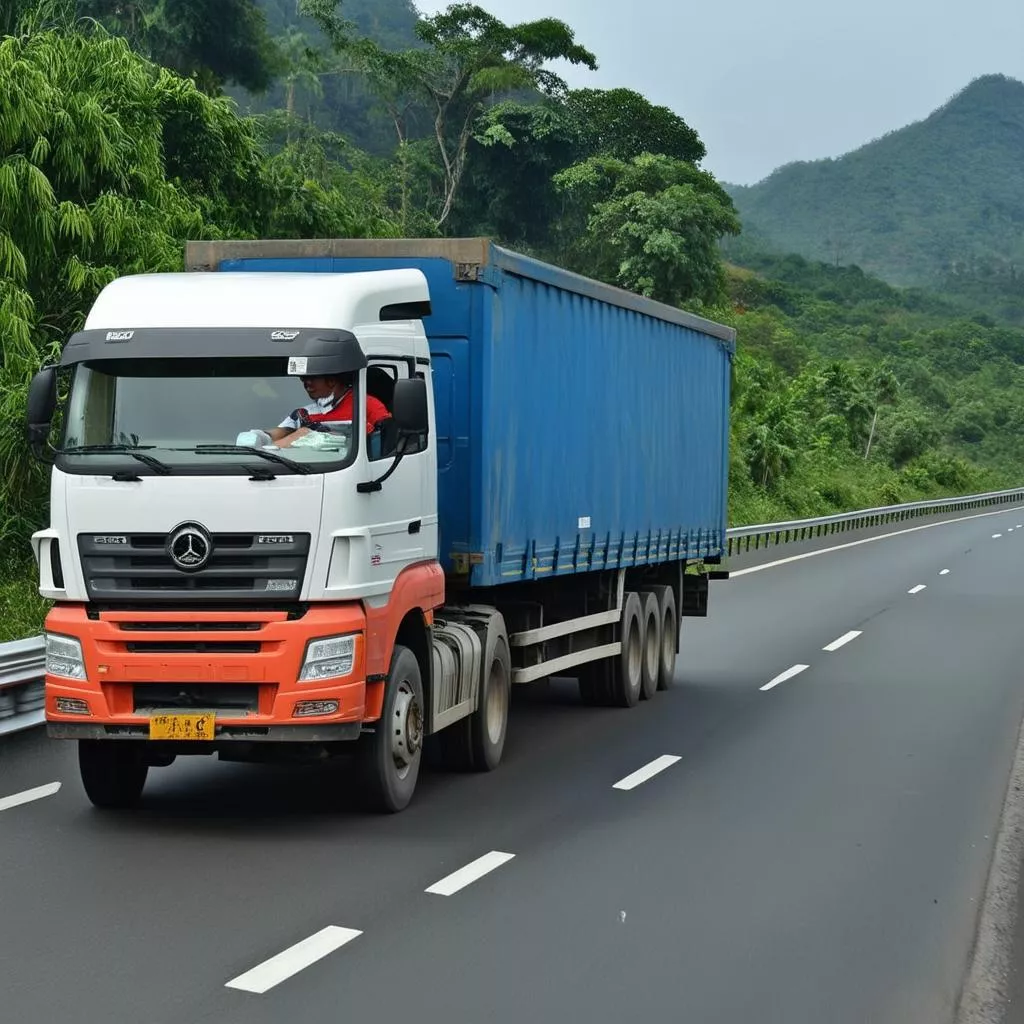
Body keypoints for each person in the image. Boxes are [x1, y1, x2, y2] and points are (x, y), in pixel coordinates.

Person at [267, 372, 389, 449]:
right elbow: (276, 433)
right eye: (303, 378)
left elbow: (388, 436)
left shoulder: (366, 404)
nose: (306, 383)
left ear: (332, 379)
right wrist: (255, 438)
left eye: (312, 378)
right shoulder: (303, 413)